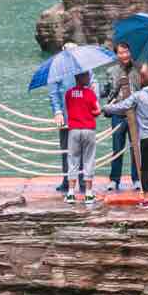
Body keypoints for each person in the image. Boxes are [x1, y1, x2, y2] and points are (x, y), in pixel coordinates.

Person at [102, 65, 148, 208]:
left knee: (146, 169)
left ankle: (147, 199)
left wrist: (105, 108)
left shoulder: (138, 96)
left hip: (147, 138)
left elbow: (122, 107)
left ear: (141, 81)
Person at [102, 41, 140, 192]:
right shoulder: (111, 71)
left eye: (126, 52)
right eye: (121, 53)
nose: (124, 55)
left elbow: (144, 89)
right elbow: (107, 91)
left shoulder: (138, 69)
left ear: (130, 52)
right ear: (117, 55)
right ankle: (114, 180)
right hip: (118, 114)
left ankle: (137, 178)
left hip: (135, 113)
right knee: (117, 148)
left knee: (135, 147)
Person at [48, 42, 82, 195]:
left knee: (82, 149)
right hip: (66, 116)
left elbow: (93, 84)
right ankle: (66, 180)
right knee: (66, 149)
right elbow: (53, 92)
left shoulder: (84, 66)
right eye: (68, 50)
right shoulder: (56, 68)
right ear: (63, 51)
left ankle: (82, 181)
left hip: (82, 115)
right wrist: (57, 111)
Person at [64, 70, 102, 205]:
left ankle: (70, 193)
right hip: (88, 130)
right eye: (87, 76)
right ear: (82, 78)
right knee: (88, 160)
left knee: (73, 160)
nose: (89, 77)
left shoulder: (68, 94)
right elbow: (97, 111)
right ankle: (88, 194)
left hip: (74, 130)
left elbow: (69, 109)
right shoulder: (90, 93)